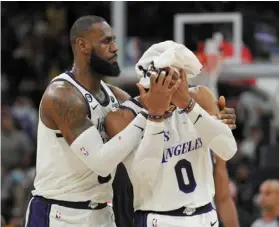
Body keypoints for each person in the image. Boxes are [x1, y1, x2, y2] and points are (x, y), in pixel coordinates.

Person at [24, 15, 182, 227]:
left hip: (101, 213)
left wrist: (209, 113)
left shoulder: (114, 95)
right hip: (59, 213)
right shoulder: (62, 96)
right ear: (83, 45)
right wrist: (148, 113)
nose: (115, 48)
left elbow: (162, 109)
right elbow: (101, 163)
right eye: (107, 41)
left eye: (114, 40)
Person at [106, 66, 237, 226]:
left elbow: (223, 184)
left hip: (203, 214)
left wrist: (194, 108)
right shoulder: (124, 116)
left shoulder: (201, 102)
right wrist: (154, 115)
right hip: (149, 212)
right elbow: (141, 176)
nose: (167, 93)